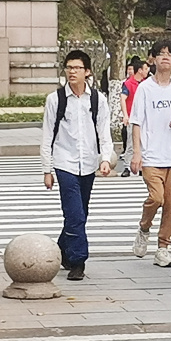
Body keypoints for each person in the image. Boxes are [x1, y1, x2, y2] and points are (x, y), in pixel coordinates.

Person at [40, 50, 115, 281]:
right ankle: (78, 260)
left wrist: (105, 159)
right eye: (69, 67)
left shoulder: (98, 100)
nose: (72, 72)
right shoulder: (56, 99)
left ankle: (63, 249)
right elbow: (47, 135)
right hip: (64, 163)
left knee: (81, 213)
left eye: (77, 68)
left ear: (87, 72)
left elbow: (104, 131)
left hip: (89, 163)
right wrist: (47, 170)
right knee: (74, 213)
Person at [130, 40, 171, 268]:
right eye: (161, 53)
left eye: (170, 54)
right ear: (153, 59)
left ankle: (163, 248)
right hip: (151, 156)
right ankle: (144, 227)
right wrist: (137, 153)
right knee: (157, 198)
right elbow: (136, 122)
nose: (165, 57)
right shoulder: (145, 88)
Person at [119, 59, 150, 177]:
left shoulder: (146, 84)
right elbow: (123, 99)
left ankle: (142, 166)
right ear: (140, 70)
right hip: (132, 117)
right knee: (131, 143)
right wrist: (125, 115)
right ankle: (127, 166)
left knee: (144, 143)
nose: (147, 71)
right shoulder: (128, 84)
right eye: (145, 69)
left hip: (145, 118)